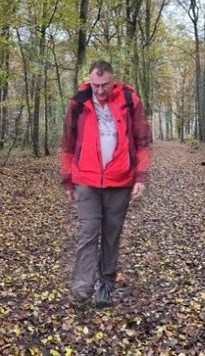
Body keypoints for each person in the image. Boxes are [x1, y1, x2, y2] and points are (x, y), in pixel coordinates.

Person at [61, 60, 152, 308]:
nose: (100, 90)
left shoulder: (130, 101)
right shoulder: (79, 103)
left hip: (120, 180)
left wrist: (140, 176)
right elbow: (68, 145)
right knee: (88, 232)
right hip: (86, 180)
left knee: (111, 234)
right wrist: (68, 180)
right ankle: (82, 288)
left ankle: (106, 284)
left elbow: (143, 142)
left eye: (105, 85)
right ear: (89, 81)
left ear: (113, 80)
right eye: (95, 85)